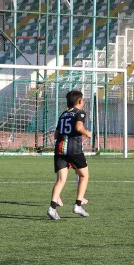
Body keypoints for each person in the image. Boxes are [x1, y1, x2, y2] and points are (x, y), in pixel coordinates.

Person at [48, 89, 92, 221]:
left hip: (60, 149)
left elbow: (56, 135)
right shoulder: (80, 113)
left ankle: (52, 208)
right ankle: (78, 204)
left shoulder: (63, 114)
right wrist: (87, 133)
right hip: (74, 149)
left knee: (61, 180)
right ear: (79, 101)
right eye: (82, 100)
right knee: (84, 175)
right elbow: (79, 127)